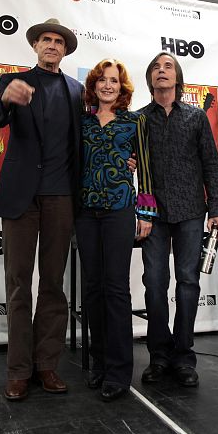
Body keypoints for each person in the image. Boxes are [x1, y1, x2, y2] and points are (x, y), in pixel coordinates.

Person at [0, 18, 83, 401]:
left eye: (59, 41)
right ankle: (18, 370)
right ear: (36, 45)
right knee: (18, 286)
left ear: (65, 50)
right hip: (20, 198)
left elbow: (85, 141)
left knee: (54, 286)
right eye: (46, 39)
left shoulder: (77, 90)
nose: (52, 45)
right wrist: (6, 99)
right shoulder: (13, 82)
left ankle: (47, 366)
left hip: (62, 197)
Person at [139, 52, 218, 387]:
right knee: (154, 284)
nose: (161, 71)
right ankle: (159, 356)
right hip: (153, 215)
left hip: (192, 211)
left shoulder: (195, 117)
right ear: (150, 79)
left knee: (188, 282)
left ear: (178, 78)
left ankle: (184, 356)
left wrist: (217, 209)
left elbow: (211, 164)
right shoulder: (138, 120)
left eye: (168, 66)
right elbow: (132, 164)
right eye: (156, 67)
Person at [75, 58, 157, 402]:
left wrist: (146, 212)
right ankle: (99, 363)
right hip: (85, 211)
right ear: (93, 86)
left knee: (116, 289)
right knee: (92, 289)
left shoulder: (135, 121)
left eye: (114, 81)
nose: (108, 85)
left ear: (122, 88)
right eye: (102, 80)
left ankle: (120, 371)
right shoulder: (82, 123)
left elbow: (147, 169)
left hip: (120, 210)